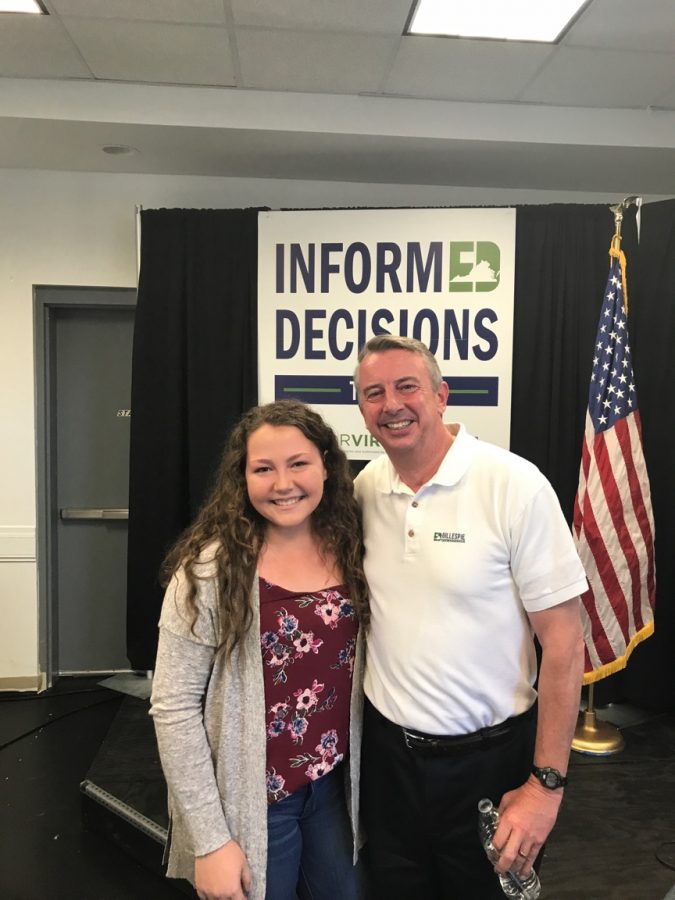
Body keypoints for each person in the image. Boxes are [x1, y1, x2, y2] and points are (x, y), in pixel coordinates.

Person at [353, 334, 587, 900]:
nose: (391, 404)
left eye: (407, 386)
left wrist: (546, 787)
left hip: (490, 768)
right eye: (373, 393)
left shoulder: (514, 485)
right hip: (388, 766)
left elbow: (565, 643)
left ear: (441, 396)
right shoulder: (364, 489)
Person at [149, 400, 369, 900]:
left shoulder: (352, 547)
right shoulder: (208, 572)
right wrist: (209, 842)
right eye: (263, 468)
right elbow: (173, 707)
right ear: (241, 478)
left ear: (327, 467)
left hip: (331, 788)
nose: (283, 483)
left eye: (298, 464)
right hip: (252, 800)